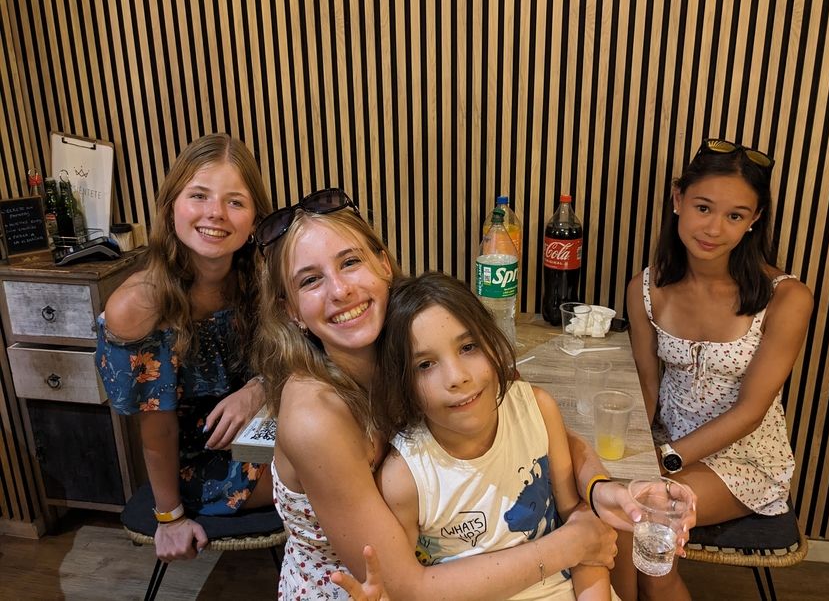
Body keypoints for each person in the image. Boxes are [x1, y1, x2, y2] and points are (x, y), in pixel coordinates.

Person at [251, 187, 629, 600]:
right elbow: (408, 587)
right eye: (310, 280)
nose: (340, 290)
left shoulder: (414, 336)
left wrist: (596, 485)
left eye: (351, 262)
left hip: (456, 568)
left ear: (383, 264)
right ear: (291, 311)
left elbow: (534, 424)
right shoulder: (315, 417)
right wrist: (570, 545)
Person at [625, 138, 813, 599]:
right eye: (703, 207)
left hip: (744, 462)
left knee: (639, 515)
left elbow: (750, 411)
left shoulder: (787, 298)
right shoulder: (646, 288)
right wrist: (626, 455)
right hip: (663, 448)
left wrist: (667, 459)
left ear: (755, 221)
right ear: (677, 200)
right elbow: (646, 386)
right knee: (601, 505)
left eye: (735, 215)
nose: (714, 229)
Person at [373, 271, 612, 600]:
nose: (456, 377)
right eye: (425, 365)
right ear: (403, 385)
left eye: (468, 347)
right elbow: (404, 586)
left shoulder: (538, 410)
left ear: (493, 343)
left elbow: (581, 526)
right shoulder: (405, 477)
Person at [95, 134, 275, 561]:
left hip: (264, 426)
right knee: (331, 465)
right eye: (199, 195)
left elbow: (294, 357)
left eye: (235, 201)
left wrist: (257, 389)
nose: (216, 213)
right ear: (172, 204)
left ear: (254, 218)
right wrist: (170, 517)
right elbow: (158, 430)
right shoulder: (138, 305)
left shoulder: (261, 276)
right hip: (203, 459)